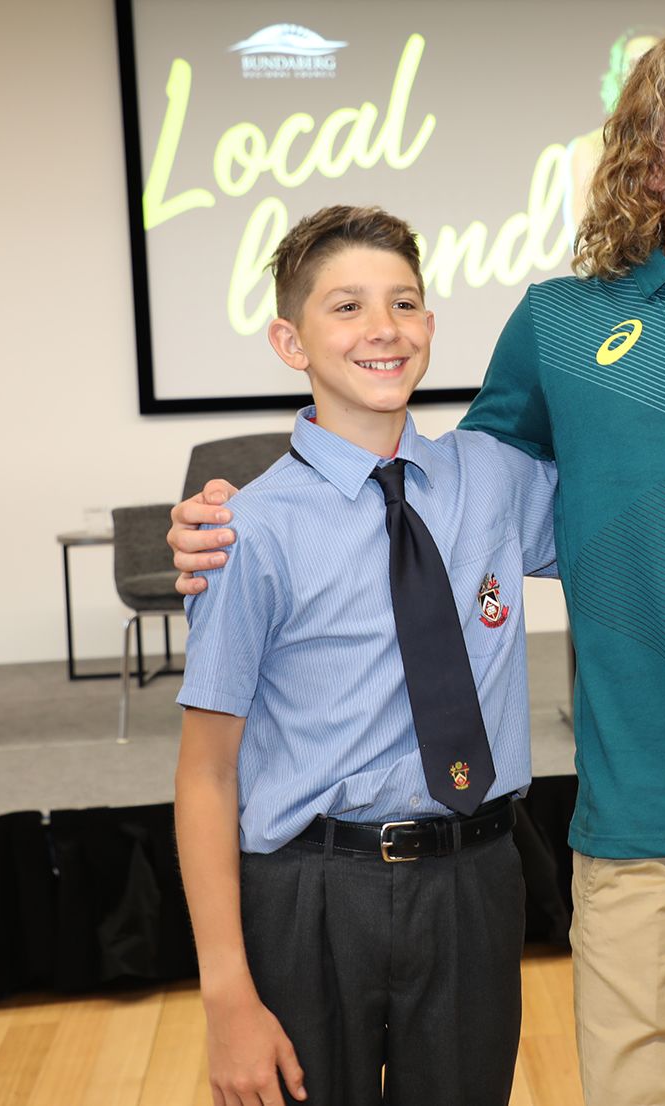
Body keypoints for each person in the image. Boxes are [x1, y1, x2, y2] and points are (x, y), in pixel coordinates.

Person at [171, 24, 665, 1106]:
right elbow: (429, 492)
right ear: (651, 157)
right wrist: (229, 518)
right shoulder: (560, 327)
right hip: (638, 838)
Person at [173, 205, 556, 1106]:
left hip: (474, 879)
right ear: (290, 341)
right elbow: (206, 773)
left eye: (404, 303)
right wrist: (226, 996)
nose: (383, 328)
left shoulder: (495, 477)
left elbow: (646, 492)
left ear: (429, 324)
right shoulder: (247, 529)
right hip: (309, 893)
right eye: (346, 307)